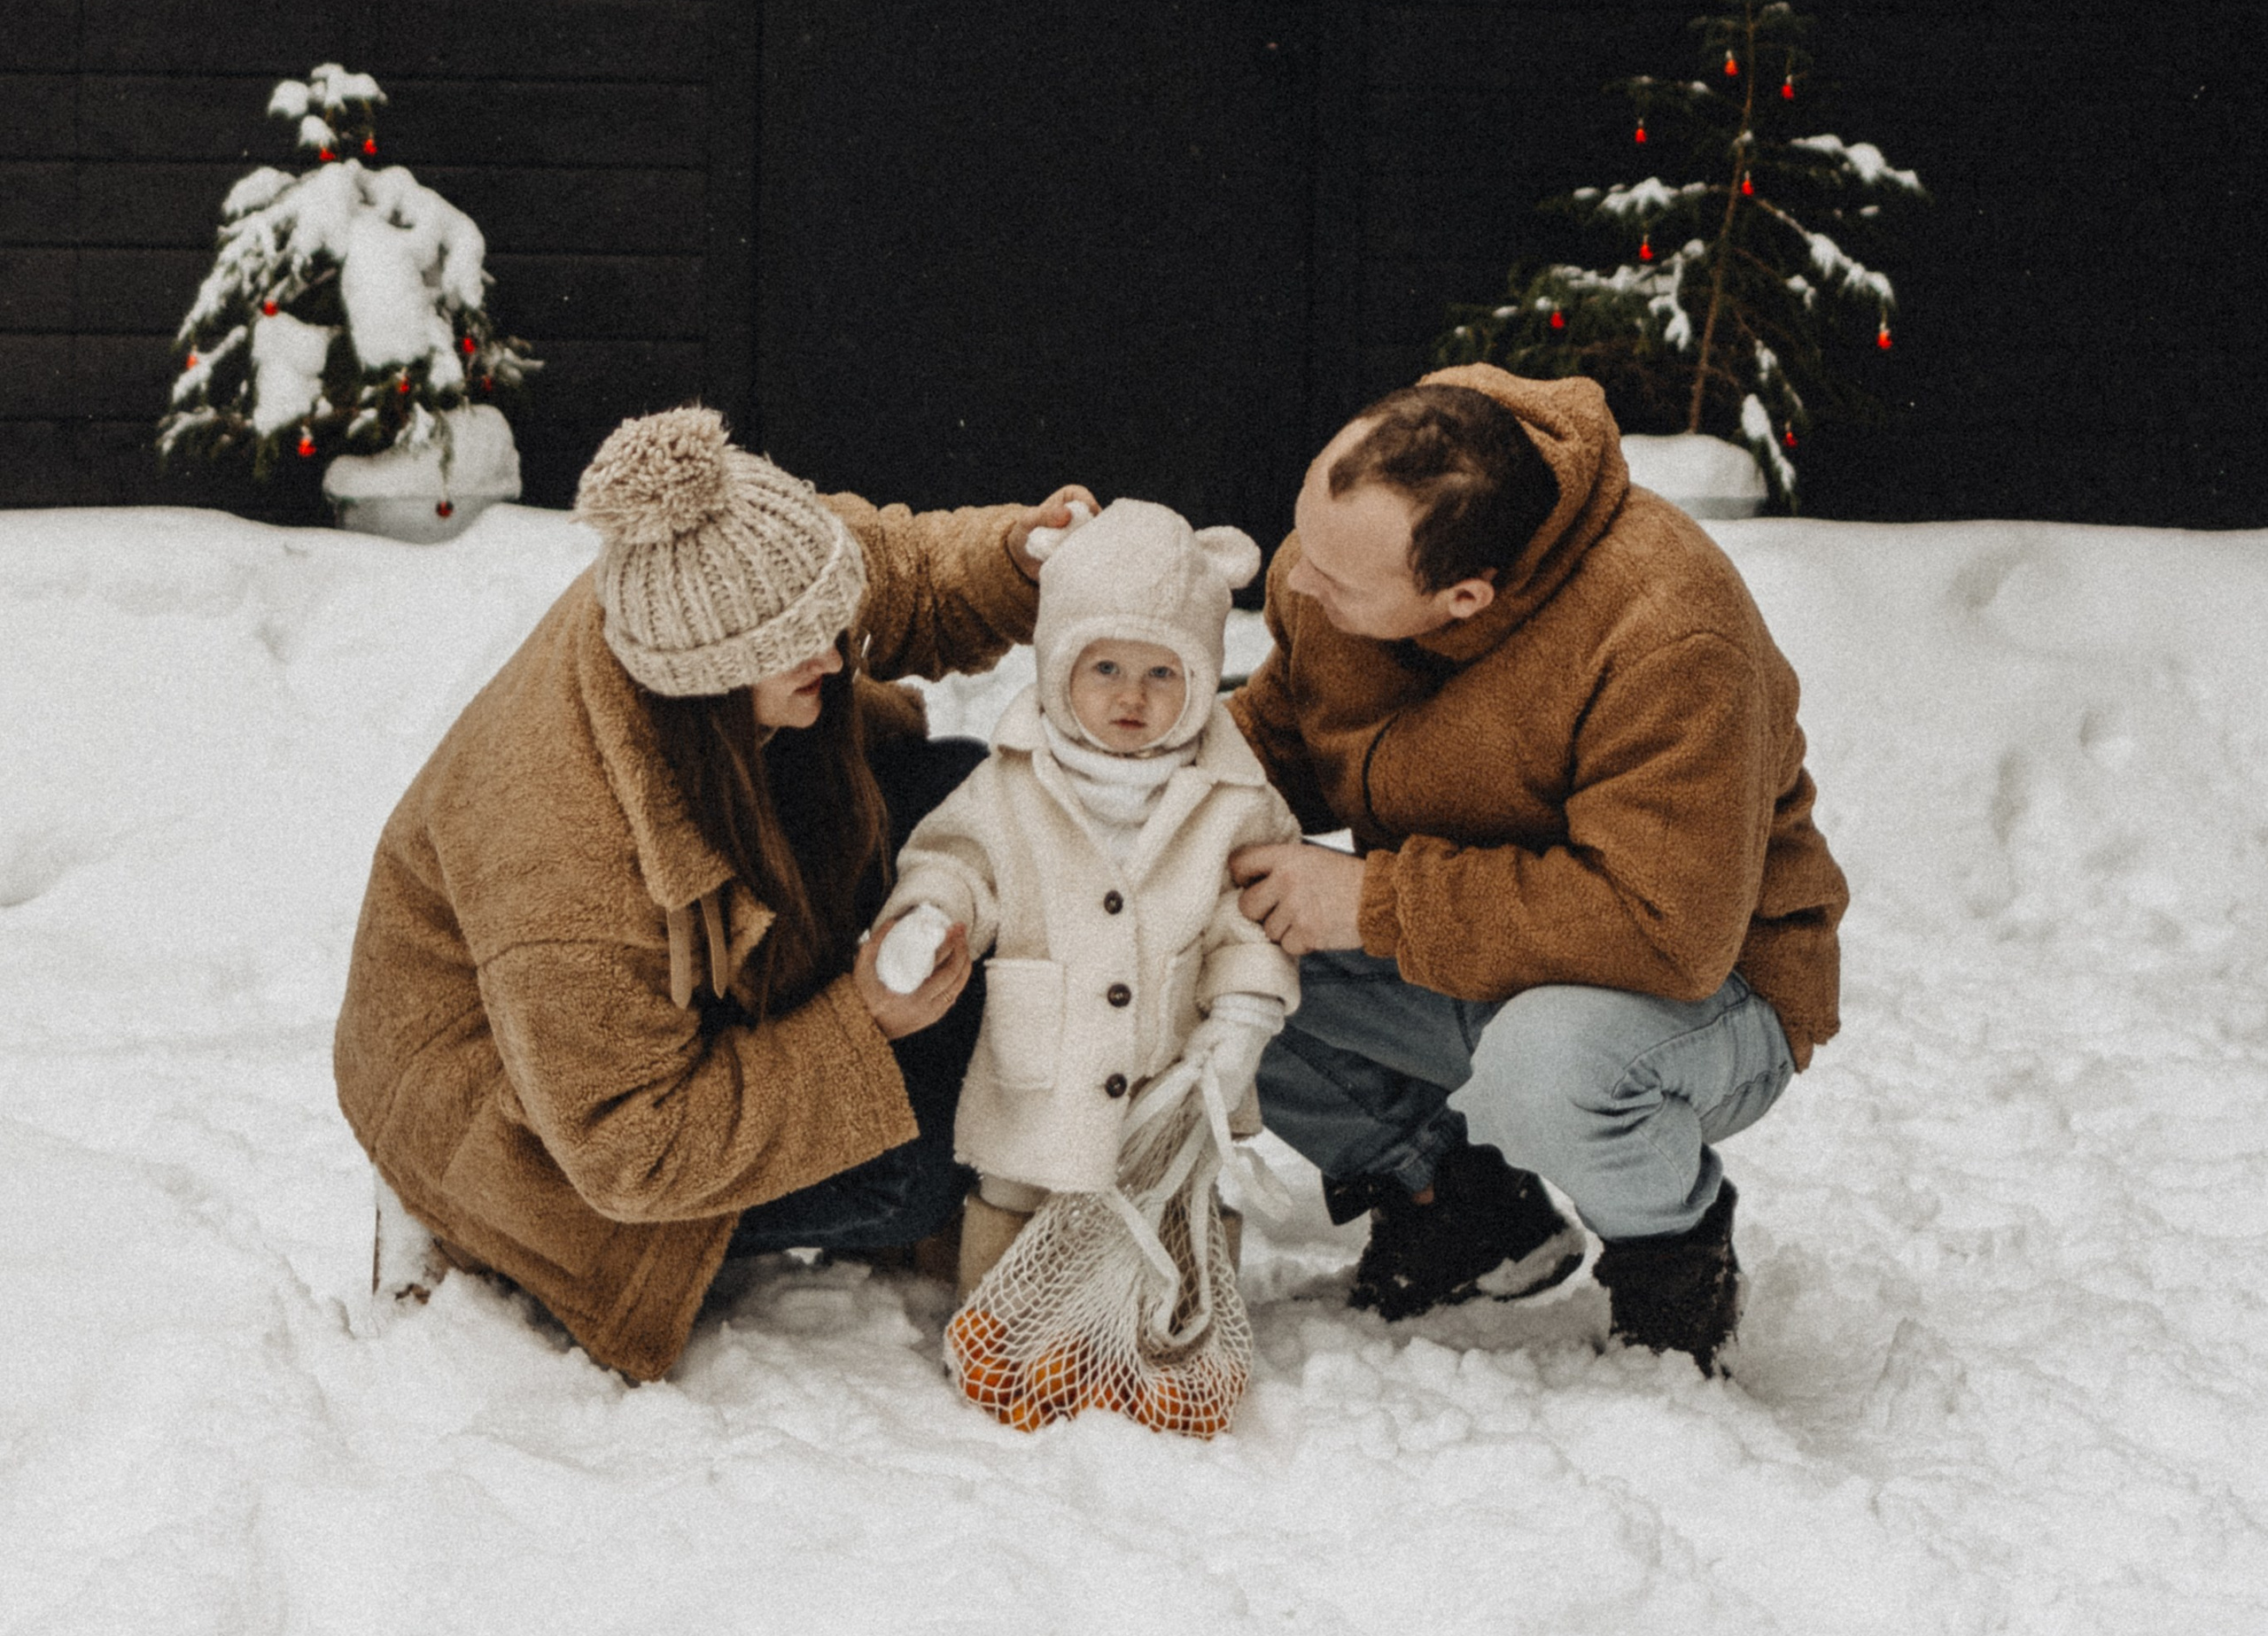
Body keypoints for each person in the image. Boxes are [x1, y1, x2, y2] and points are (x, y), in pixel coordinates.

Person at [333, 403, 1093, 1382]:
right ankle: (464, 1228)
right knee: (915, 1160)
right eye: (801, 648)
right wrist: (859, 1024)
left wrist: (1015, 556)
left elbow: (891, 570)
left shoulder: (732, 558)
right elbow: (629, 1151)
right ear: (707, 675)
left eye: (830, 629)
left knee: (960, 797)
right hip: (527, 1124)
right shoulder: (563, 860)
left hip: (620, 1015)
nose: (834, 655)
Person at [1228, 367, 1847, 1372]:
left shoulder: (1667, 633)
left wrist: (1376, 902)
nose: (1296, 581)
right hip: (1479, 954)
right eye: (1304, 535)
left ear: (1463, 598)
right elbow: (1287, 739)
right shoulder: (1339, 560)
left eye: (1335, 583)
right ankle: (1457, 1210)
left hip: (1708, 992)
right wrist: (1129, 784)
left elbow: (1666, 929)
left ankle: (1674, 1264)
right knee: (1199, 932)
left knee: (1551, 1066)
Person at [871, 499, 1301, 1299]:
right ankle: (1004, 1333)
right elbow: (957, 861)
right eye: (1104, 667)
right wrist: (929, 917)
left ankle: (1172, 1341)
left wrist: (1244, 1012)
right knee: (1021, 1192)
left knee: (1173, 1200)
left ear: (1203, 677)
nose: (1131, 696)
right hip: (1047, 1060)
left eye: (1163, 673)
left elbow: (1251, 917)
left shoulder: (1235, 798)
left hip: (1177, 1065)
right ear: (1058, 666)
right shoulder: (1010, 783)